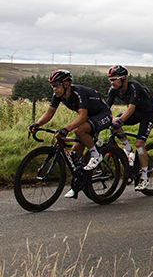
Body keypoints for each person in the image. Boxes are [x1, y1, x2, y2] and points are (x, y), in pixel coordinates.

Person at [28, 69, 112, 198]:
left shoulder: (78, 92)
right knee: (75, 152)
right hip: (90, 117)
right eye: (52, 85)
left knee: (79, 130)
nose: (54, 88)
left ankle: (96, 155)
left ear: (66, 84)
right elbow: (49, 113)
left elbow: (82, 116)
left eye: (56, 85)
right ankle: (77, 184)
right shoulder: (58, 96)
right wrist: (37, 124)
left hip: (102, 115)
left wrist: (66, 129)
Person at [106, 65, 153, 191]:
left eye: (114, 79)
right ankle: (128, 151)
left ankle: (144, 177)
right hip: (135, 113)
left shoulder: (134, 87)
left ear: (123, 79)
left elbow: (131, 108)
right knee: (114, 125)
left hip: (147, 114)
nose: (112, 82)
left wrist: (120, 121)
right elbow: (106, 109)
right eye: (110, 79)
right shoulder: (113, 90)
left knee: (139, 144)